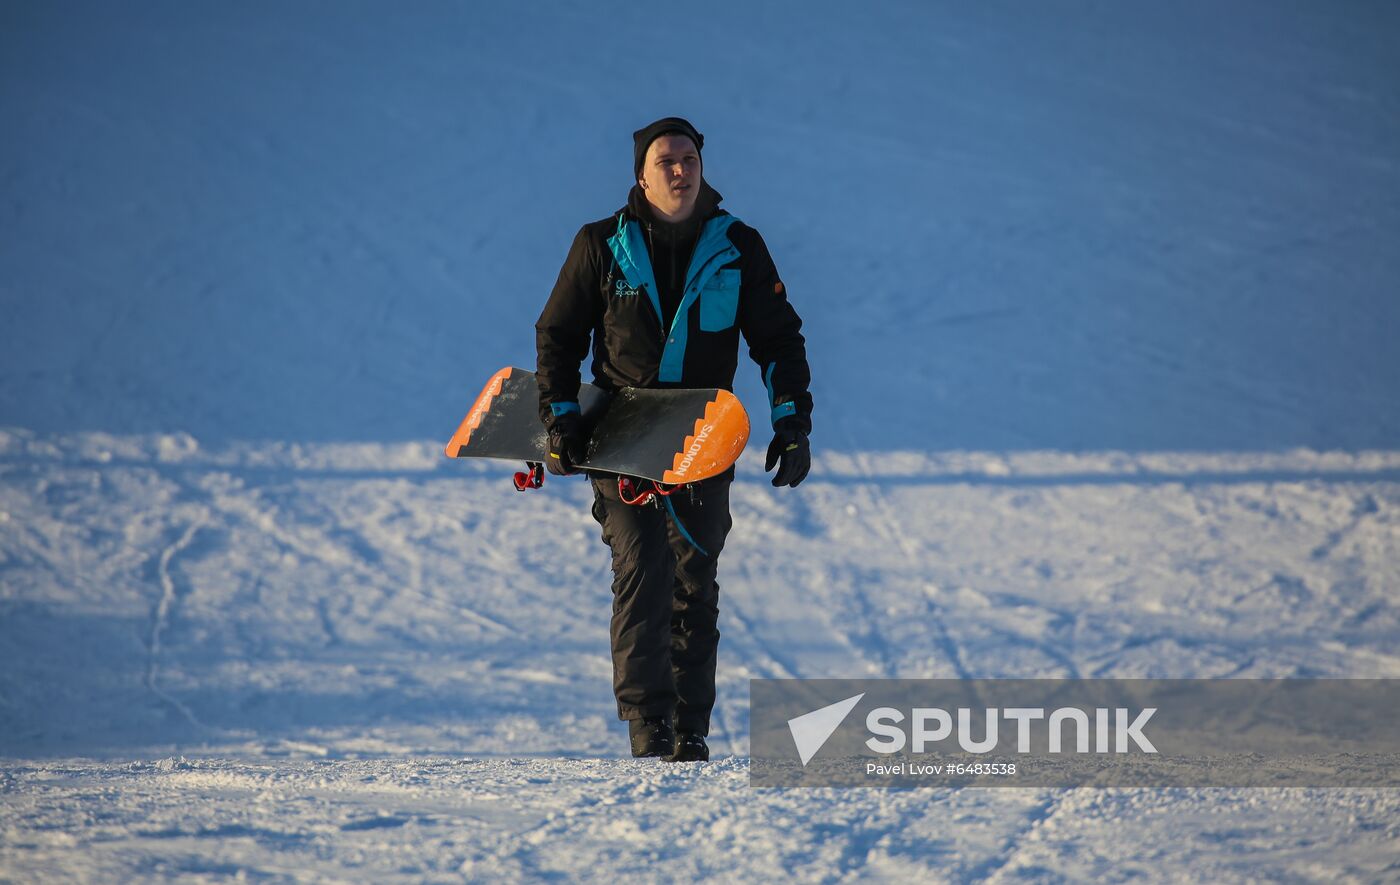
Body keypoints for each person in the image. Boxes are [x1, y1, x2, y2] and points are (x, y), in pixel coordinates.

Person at [535, 117, 812, 762]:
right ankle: (648, 727)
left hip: (701, 435)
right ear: (642, 174)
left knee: (694, 577)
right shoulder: (602, 244)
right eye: (667, 161)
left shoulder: (737, 246)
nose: (681, 170)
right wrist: (561, 415)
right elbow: (558, 334)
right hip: (621, 432)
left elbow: (778, 340)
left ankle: (690, 730)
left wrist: (792, 420)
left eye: (690, 158)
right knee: (642, 567)